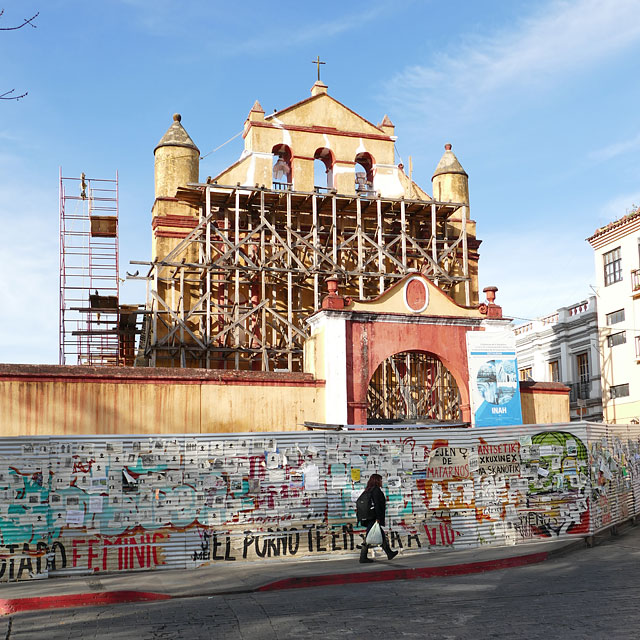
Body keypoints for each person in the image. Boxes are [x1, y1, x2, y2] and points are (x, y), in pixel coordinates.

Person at [358, 473, 398, 563]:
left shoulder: (368, 490)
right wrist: (378, 517)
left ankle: (389, 553)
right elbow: (377, 505)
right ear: (377, 481)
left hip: (369, 516)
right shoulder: (376, 490)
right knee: (369, 536)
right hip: (373, 517)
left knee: (381, 534)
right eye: (380, 480)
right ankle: (363, 557)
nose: (381, 482)